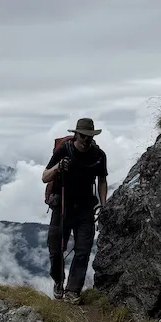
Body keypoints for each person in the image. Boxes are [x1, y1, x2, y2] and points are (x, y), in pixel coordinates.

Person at [41, 117, 108, 299]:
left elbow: (102, 180)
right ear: (76, 135)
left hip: (86, 208)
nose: (86, 140)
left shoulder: (99, 156)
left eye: (89, 136)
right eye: (83, 136)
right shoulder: (64, 150)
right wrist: (58, 167)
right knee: (56, 251)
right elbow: (45, 177)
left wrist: (103, 203)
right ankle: (58, 281)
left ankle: (72, 291)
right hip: (62, 206)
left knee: (83, 250)